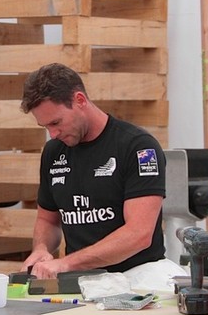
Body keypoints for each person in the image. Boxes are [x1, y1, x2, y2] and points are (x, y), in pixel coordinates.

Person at [19, 63, 166, 279]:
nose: (53, 133)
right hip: (81, 280)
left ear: (80, 100)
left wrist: (67, 263)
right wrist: (41, 249)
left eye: (56, 122)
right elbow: (47, 220)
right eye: (45, 127)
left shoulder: (138, 147)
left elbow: (139, 234)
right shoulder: (53, 152)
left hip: (140, 279)